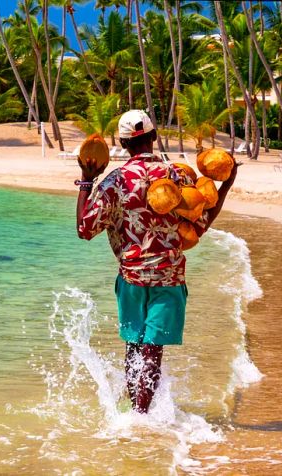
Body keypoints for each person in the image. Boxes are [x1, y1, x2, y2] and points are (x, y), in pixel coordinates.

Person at [75, 110, 238, 413]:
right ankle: (142, 416)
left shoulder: (114, 182)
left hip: (131, 277)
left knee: (134, 345)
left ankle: (135, 415)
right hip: (169, 277)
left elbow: (85, 229)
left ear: (123, 144)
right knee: (152, 349)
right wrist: (225, 187)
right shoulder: (176, 176)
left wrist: (86, 183)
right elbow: (199, 223)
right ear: (153, 137)